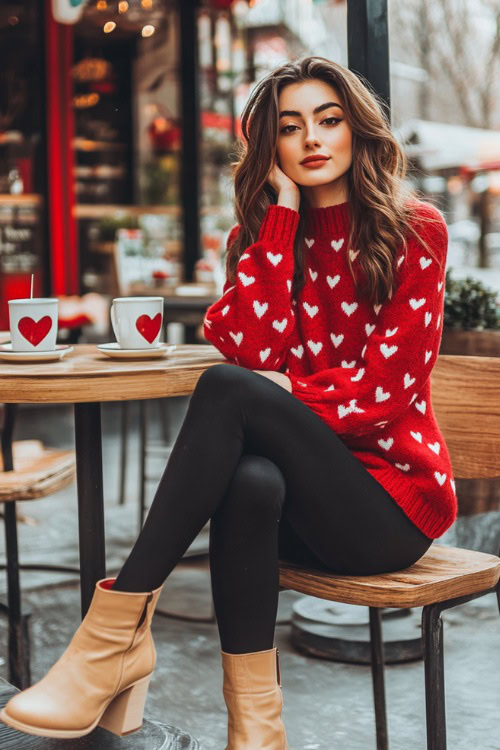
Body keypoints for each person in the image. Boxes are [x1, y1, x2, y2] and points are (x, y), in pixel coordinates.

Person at [0, 56, 457, 748]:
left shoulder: (413, 231)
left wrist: (288, 394)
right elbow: (252, 350)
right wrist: (279, 222)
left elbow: (381, 398)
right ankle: (256, 733)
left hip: (388, 508)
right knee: (248, 479)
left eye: (329, 120)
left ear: (358, 131)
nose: (311, 139)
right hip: (296, 510)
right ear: (268, 146)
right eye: (290, 126)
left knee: (224, 392)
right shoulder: (261, 238)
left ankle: (112, 636)